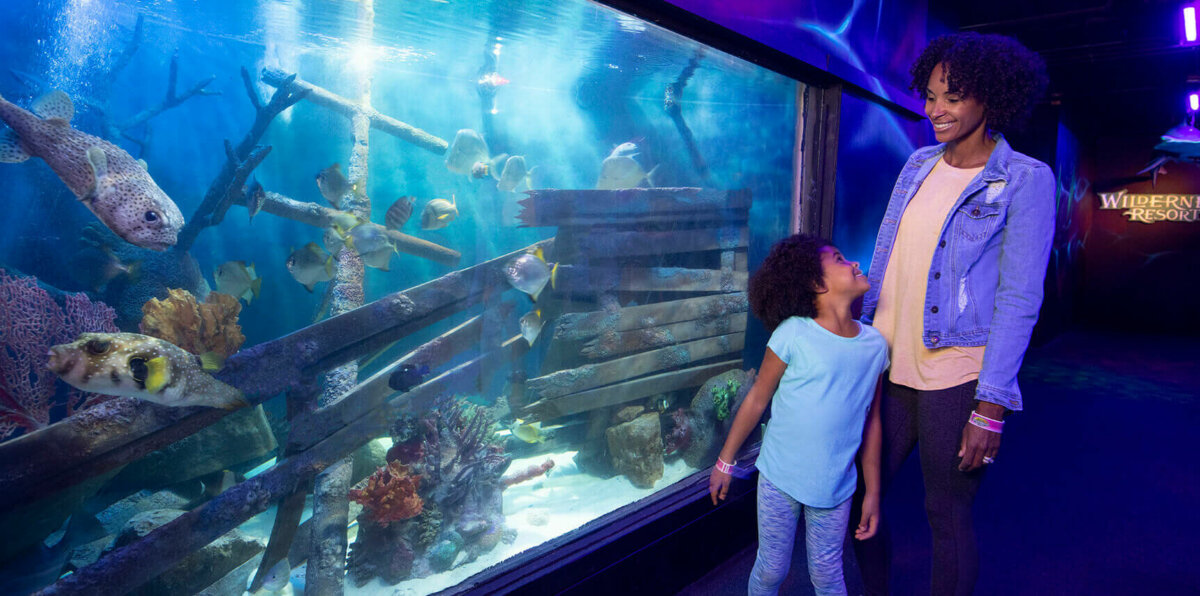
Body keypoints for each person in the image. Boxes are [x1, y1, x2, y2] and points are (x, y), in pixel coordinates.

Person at [852, 32, 1053, 596]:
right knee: (851, 498)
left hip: (957, 373)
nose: (935, 110)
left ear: (990, 99)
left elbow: (1018, 298)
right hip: (885, 365)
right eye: (931, 95)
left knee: (946, 516)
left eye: (953, 97)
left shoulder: (1025, 180)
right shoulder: (917, 164)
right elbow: (889, 259)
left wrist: (990, 408)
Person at [709, 234, 891, 596]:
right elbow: (758, 398)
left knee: (826, 574)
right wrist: (725, 462)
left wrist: (872, 492)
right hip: (779, 476)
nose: (854, 263)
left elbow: (871, 421)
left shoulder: (875, 346)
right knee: (772, 568)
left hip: (835, 486)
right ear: (815, 283)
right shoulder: (792, 333)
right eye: (840, 259)